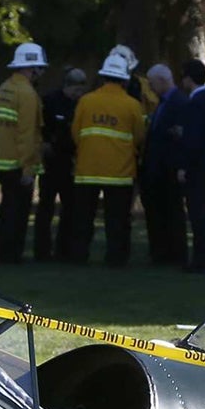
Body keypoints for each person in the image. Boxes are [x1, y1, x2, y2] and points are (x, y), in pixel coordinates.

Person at [64, 47, 147, 267]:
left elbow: (75, 133)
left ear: (103, 76)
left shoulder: (86, 101)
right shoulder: (132, 105)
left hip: (87, 170)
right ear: (124, 79)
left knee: (83, 218)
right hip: (119, 173)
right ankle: (116, 259)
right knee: (117, 221)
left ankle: (78, 256)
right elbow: (139, 136)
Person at [0, 42, 47, 264]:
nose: (40, 74)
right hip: (19, 163)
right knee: (19, 213)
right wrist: (27, 167)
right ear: (31, 67)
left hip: (4, 161)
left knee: (7, 211)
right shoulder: (27, 94)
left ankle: (3, 253)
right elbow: (26, 134)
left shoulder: (5, 87)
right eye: (39, 69)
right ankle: (13, 256)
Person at [175, 59, 205, 274]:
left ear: (188, 78)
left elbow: (193, 140)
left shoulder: (195, 104)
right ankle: (203, 259)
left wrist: (184, 166)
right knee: (200, 211)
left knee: (197, 214)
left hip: (198, 164)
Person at [35, 67, 86, 262]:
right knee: (46, 206)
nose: (77, 94)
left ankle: (64, 250)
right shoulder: (50, 101)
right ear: (67, 86)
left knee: (70, 208)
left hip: (71, 162)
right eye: (75, 90)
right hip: (51, 161)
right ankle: (42, 251)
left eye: (80, 91)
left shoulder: (81, 104)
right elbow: (42, 127)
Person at [139, 64, 187, 264]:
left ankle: (174, 253)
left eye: (152, 84)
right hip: (155, 168)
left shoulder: (179, 103)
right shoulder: (163, 103)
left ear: (162, 80)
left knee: (172, 212)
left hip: (169, 168)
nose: (150, 88)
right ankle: (159, 252)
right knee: (156, 211)